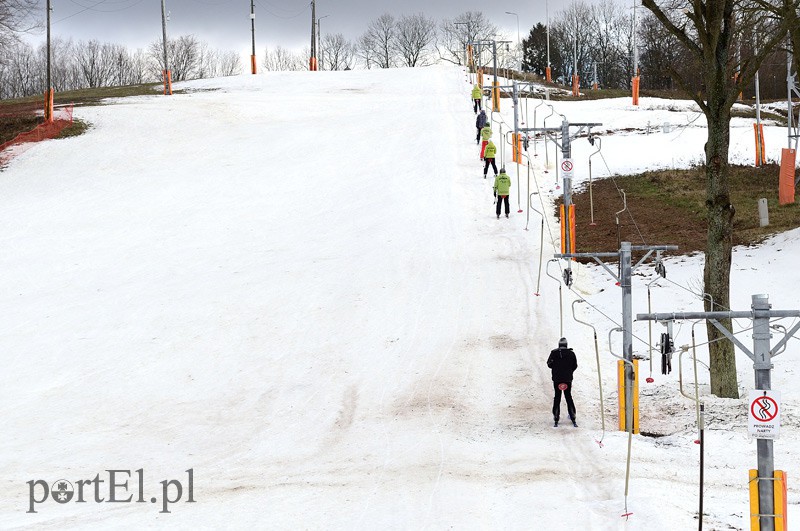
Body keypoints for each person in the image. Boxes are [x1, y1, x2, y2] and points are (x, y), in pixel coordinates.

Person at [546, 337, 578, 427]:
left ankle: (556, 416)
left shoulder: (554, 353)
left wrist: (556, 368)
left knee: (557, 396)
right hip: (567, 379)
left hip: (557, 379)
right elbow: (575, 365)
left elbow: (549, 364)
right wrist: (569, 372)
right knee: (568, 396)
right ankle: (573, 415)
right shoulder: (571, 354)